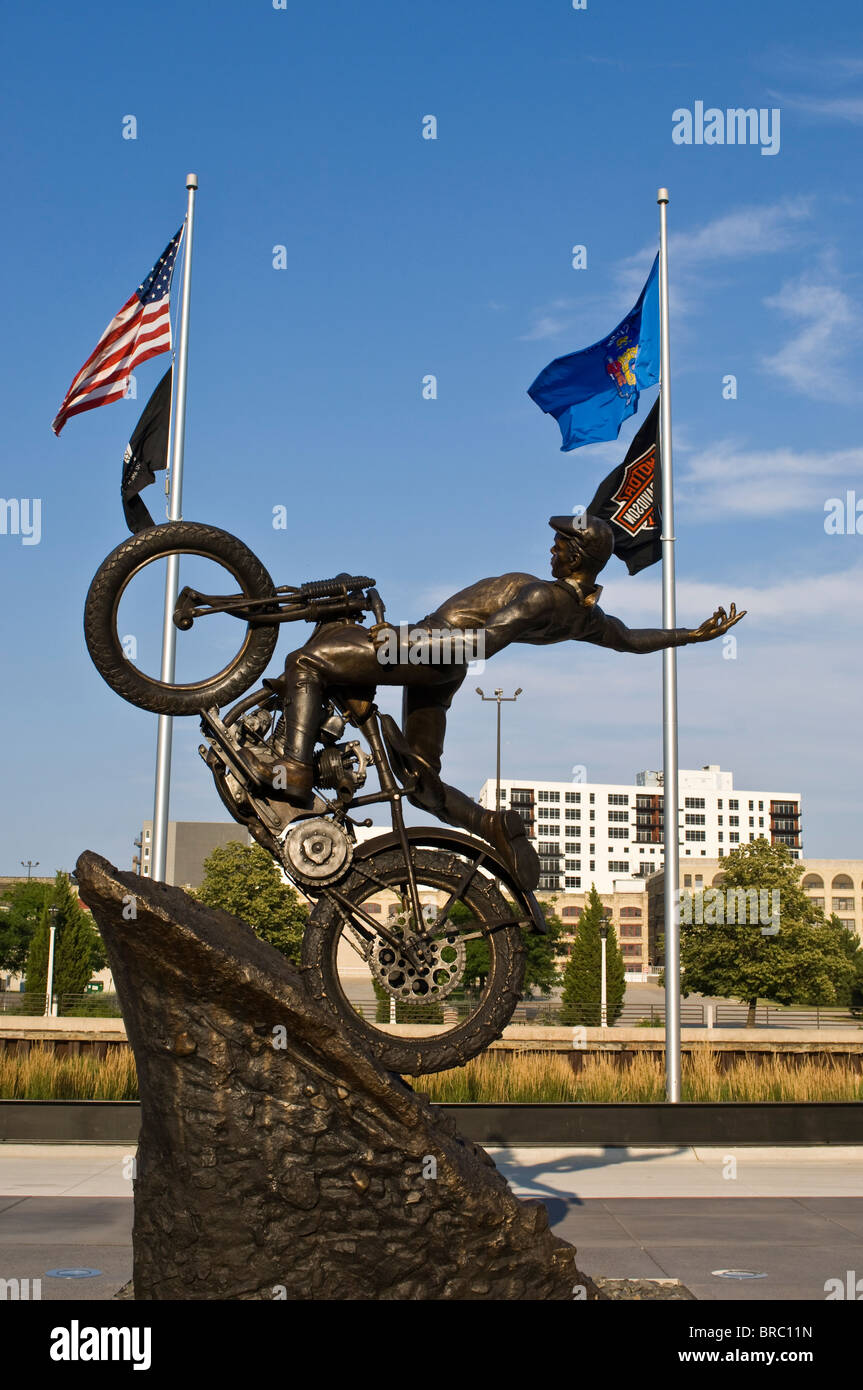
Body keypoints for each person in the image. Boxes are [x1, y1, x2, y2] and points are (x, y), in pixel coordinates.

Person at [242, 514, 745, 889]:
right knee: (419, 781)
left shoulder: (541, 599)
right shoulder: (581, 613)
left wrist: (394, 643)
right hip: (442, 670)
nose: (551, 547)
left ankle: (296, 765)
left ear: (576, 555)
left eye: (561, 542)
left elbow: (480, 643)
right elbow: (630, 639)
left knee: (306, 663)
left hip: (433, 650)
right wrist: (691, 635)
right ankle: (491, 824)